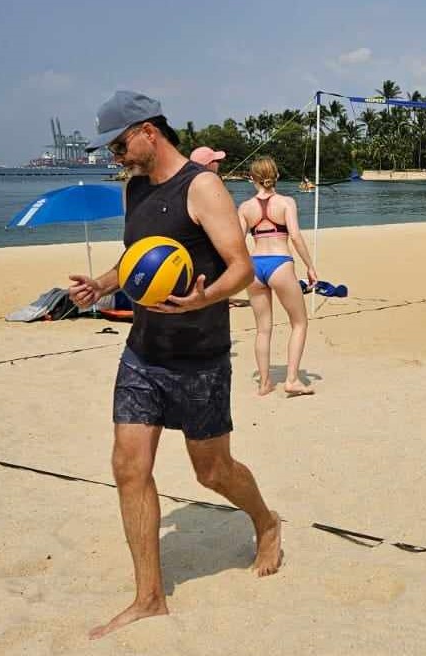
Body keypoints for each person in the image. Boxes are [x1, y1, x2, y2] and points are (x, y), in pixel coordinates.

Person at [67, 91, 281, 640]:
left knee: (212, 472)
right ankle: (149, 598)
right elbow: (136, 259)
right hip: (143, 352)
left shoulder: (202, 187)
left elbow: (242, 265)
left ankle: (264, 519)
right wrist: (105, 283)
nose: (115, 156)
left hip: (199, 357)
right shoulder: (133, 188)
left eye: (118, 144)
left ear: (147, 131)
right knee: (128, 468)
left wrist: (203, 301)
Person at [238, 156, 318, 397]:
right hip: (280, 263)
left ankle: (264, 383)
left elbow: (238, 243)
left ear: (251, 178)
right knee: (299, 322)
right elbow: (294, 235)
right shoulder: (286, 202)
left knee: (263, 329)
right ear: (277, 176)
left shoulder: (245, 207)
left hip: (255, 265)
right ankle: (292, 380)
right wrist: (310, 266)